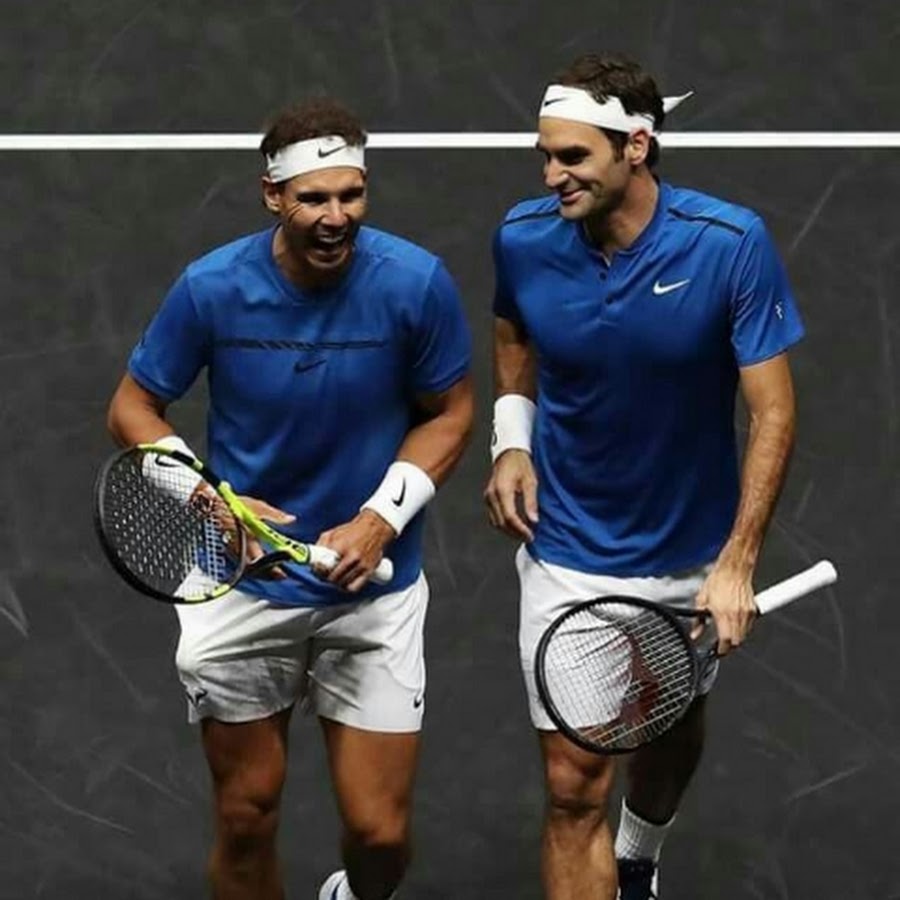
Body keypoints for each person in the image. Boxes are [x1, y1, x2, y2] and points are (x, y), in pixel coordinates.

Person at [106, 96, 474, 900]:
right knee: (246, 816)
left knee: (380, 836)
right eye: (314, 199)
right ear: (273, 195)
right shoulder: (212, 288)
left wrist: (380, 520)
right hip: (241, 587)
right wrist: (208, 498)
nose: (336, 218)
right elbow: (133, 407)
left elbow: (450, 413)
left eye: (351, 195)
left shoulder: (415, 284)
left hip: (371, 597)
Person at [483, 53, 803, 900]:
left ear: (636, 146)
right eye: (545, 156)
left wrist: (736, 562)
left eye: (573, 157)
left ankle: (639, 854)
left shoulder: (729, 245)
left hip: (693, 555)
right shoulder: (523, 239)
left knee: (668, 726)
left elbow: (773, 411)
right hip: (569, 551)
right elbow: (513, 330)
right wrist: (511, 439)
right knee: (571, 787)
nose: (552, 175)